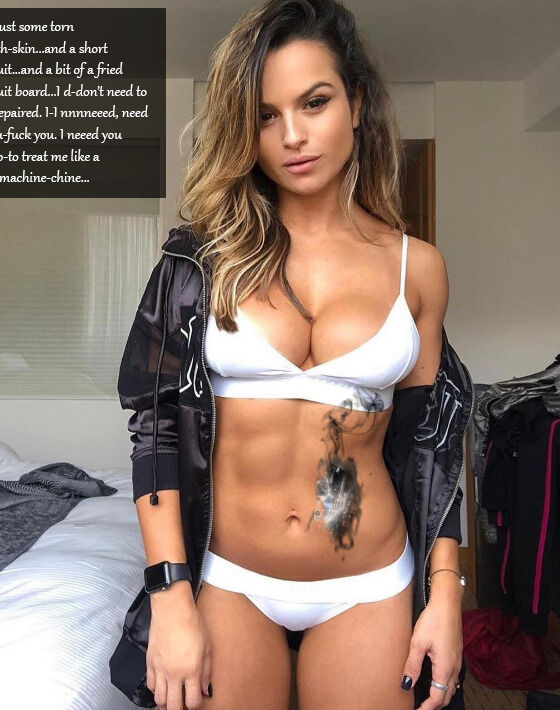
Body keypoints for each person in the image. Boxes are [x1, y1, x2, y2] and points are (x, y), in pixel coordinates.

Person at [111, 1, 474, 709]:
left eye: (315, 102)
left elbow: (433, 446)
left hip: (370, 583)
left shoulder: (418, 269)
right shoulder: (199, 262)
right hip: (231, 579)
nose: (293, 136)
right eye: (265, 115)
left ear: (356, 104)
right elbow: (154, 430)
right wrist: (170, 595)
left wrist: (446, 597)